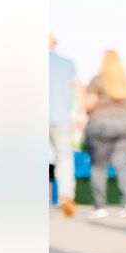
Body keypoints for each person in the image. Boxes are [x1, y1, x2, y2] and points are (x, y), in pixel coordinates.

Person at [83, 50, 126, 219]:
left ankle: (100, 207)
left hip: (101, 123)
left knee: (99, 166)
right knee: (123, 164)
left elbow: (89, 104)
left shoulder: (98, 80)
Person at [48, 34, 83, 217]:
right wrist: (80, 114)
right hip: (61, 117)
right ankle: (66, 196)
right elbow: (78, 88)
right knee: (64, 157)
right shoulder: (67, 64)